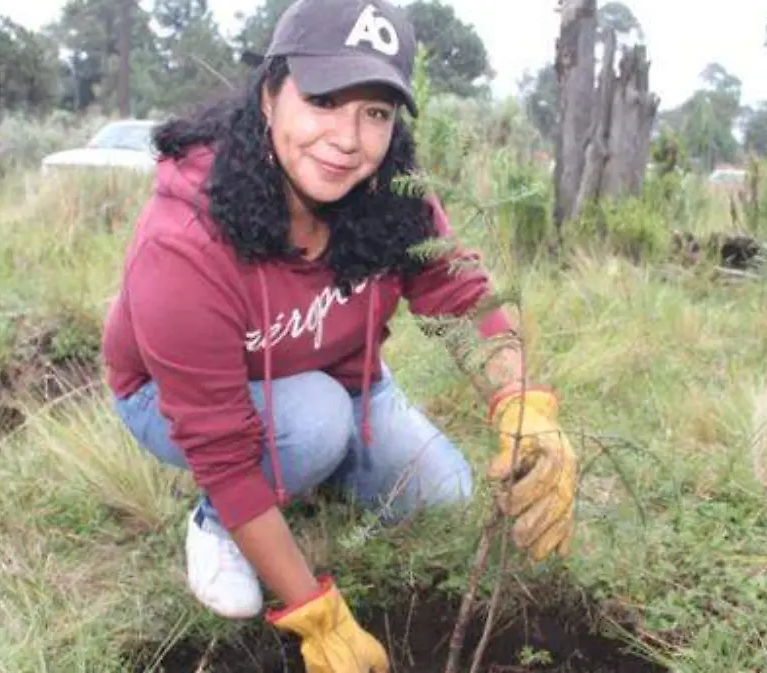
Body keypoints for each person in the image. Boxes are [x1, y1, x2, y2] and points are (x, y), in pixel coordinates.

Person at [101, 0, 579, 670]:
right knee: (314, 425)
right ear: (270, 96)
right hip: (169, 398)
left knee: (444, 498)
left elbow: (467, 297)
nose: (349, 137)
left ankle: (302, 477)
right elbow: (222, 444)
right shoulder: (184, 241)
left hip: (339, 377)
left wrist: (523, 404)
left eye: (376, 113)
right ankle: (218, 523)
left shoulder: (390, 192)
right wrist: (315, 614)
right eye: (324, 100)